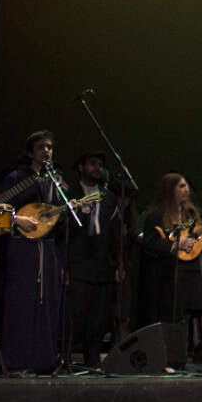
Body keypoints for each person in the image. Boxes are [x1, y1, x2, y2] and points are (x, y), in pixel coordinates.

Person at [0, 130, 70, 374]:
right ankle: (18, 359)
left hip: (47, 248)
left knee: (47, 301)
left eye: (50, 147)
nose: (47, 152)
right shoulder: (18, 177)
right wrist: (17, 218)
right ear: (31, 152)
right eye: (41, 147)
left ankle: (44, 359)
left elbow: (61, 214)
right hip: (22, 248)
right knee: (23, 301)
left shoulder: (55, 180)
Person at [140, 173, 202, 342]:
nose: (186, 190)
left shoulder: (191, 214)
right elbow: (149, 243)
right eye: (181, 186)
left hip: (189, 272)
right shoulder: (156, 214)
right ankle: (167, 356)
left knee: (186, 315)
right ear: (170, 189)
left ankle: (181, 357)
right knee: (169, 316)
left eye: (187, 186)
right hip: (167, 273)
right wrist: (175, 244)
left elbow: (200, 246)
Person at [65, 151, 120, 368]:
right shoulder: (71, 192)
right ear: (81, 167)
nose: (96, 168)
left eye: (100, 164)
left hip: (102, 263)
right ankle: (67, 356)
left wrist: (117, 262)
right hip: (78, 262)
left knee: (99, 316)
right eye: (92, 164)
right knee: (76, 313)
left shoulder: (108, 197)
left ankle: (93, 359)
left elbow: (115, 232)